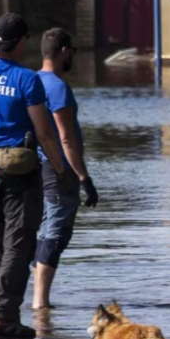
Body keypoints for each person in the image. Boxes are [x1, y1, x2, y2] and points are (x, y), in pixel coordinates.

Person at [0, 13, 69, 339]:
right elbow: (45, 132)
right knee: (18, 249)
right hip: (18, 175)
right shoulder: (27, 79)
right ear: (21, 42)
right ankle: (5, 320)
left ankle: (2, 317)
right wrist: (61, 170)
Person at [32, 28, 99, 310]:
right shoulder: (57, 86)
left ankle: (38, 302)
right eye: (72, 51)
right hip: (58, 170)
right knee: (55, 234)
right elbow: (66, 138)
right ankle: (40, 303)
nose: (72, 56)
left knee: (45, 230)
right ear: (64, 52)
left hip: (37, 169)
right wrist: (85, 178)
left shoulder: (31, 80)